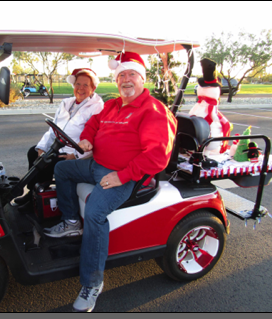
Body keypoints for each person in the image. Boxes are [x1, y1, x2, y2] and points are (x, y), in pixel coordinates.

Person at [44, 52, 178, 312]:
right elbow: (94, 123)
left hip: (126, 176)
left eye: (131, 75)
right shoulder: (113, 105)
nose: (126, 80)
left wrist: (122, 175)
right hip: (97, 165)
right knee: (62, 169)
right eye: (121, 76)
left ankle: (92, 283)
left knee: (95, 212)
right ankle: (71, 222)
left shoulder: (153, 111)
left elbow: (157, 156)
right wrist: (86, 139)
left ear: (142, 78)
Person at [13, 68, 104, 211]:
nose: (80, 88)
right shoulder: (66, 103)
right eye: (78, 84)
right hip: (59, 146)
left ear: (93, 88)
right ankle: (33, 192)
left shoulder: (97, 108)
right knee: (33, 152)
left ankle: (38, 198)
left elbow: (96, 140)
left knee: (48, 162)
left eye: (86, 85)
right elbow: (53, 129)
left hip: (76, 153)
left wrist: (75, 155)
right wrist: (42, 147)